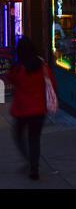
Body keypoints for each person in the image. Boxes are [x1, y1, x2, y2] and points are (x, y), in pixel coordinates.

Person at [7, 36, 56, 180]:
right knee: (34, 138)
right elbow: (52, 82)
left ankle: (29, 159)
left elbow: (10, 79)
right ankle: (34, 167)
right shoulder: (42, 66)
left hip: (22, 110)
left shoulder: (18, 68)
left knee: (18, 135)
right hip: (39, 110)